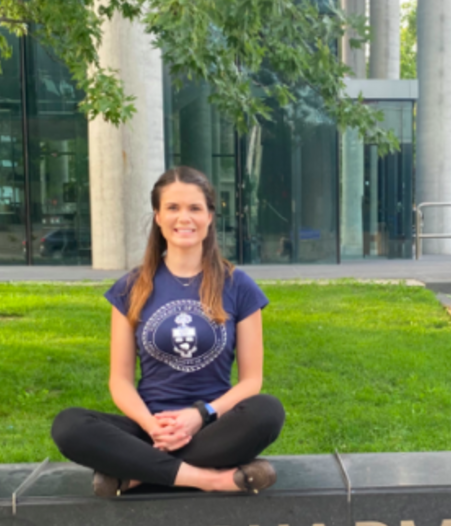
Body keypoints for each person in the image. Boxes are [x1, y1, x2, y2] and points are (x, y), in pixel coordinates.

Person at [51, 166, 283, 498]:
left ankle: (138, 473)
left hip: (214, 428)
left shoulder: (238, 286)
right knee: (69, 426)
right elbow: (119, 380)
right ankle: (210, 479)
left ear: (210, 217)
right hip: (148, 429)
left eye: (194, 208)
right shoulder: (131, 288)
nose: (183, 218)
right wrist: (152, 426)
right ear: (158, 217)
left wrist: (199, 416)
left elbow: (251, 382)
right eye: (172, 208)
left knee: (267, 411)